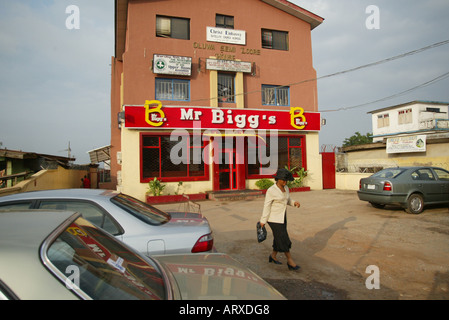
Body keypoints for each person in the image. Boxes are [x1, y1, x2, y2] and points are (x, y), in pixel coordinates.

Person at [259, 168, 301, 270]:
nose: (285, 182)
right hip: (273, 219)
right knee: (283, 237)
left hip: (282, 217)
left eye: (286, 180)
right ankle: (290, 261)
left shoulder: (286, 188)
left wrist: (294, 203)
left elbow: (287, 199)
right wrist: (263, 220)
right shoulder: (271, 190)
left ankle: (273, 256)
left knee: (278, 237)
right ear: (278, 179)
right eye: (283, 180)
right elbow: (267, 205)